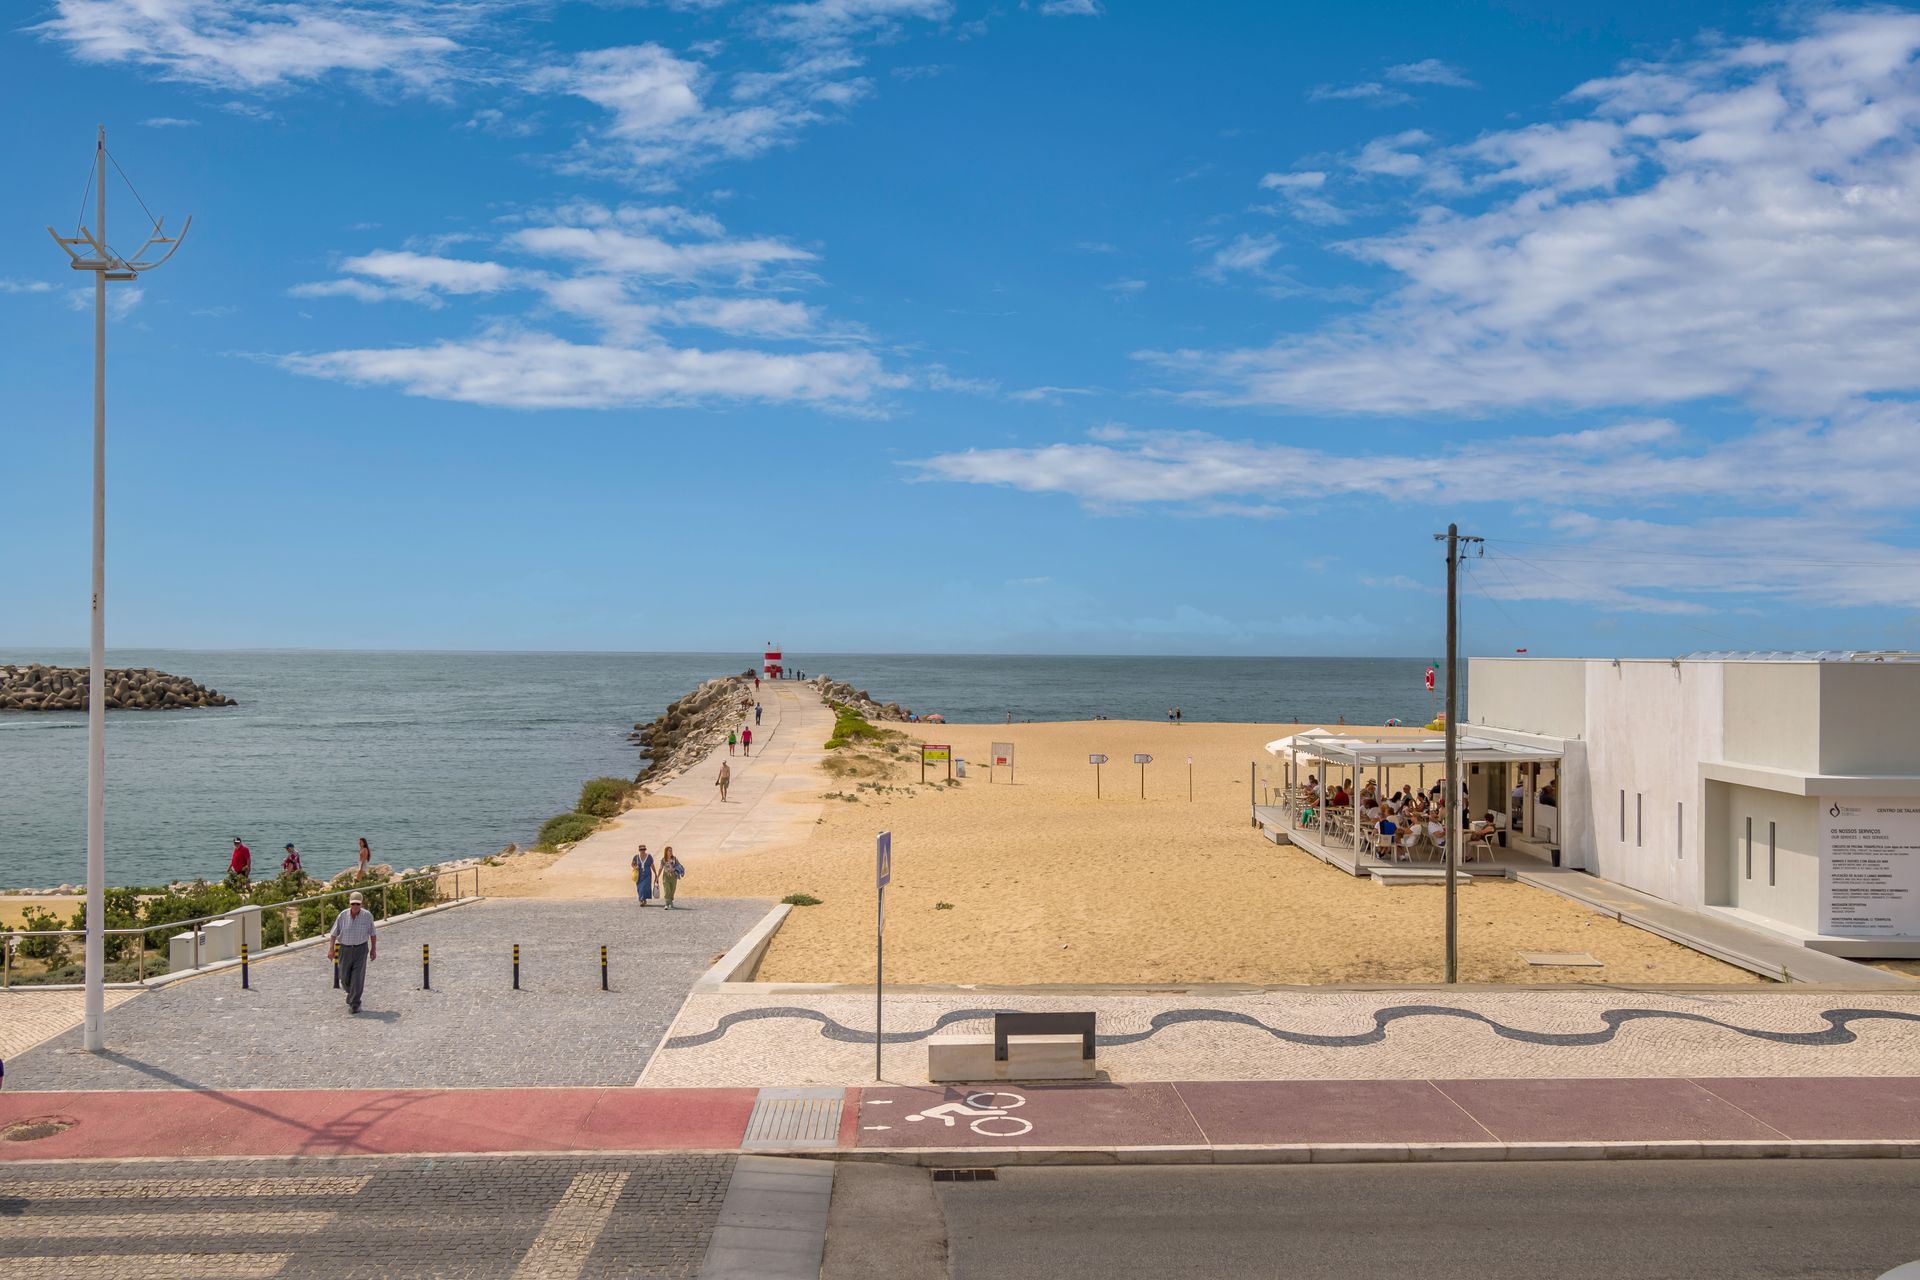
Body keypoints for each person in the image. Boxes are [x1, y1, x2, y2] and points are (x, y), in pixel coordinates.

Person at [327, 890, 377, 1014]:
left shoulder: (367, 916)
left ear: (361, 904)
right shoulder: (343, 915)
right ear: (349, 904)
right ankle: (351, 993)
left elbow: (373, 934)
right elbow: (334, 933)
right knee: (344, 977)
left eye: (357, 904)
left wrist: (373, 949)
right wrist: (331, 949)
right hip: (345, 949)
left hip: (361, 949)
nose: (355, 906)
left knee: (358, 977)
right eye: (353, 904)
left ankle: (355, 1003)